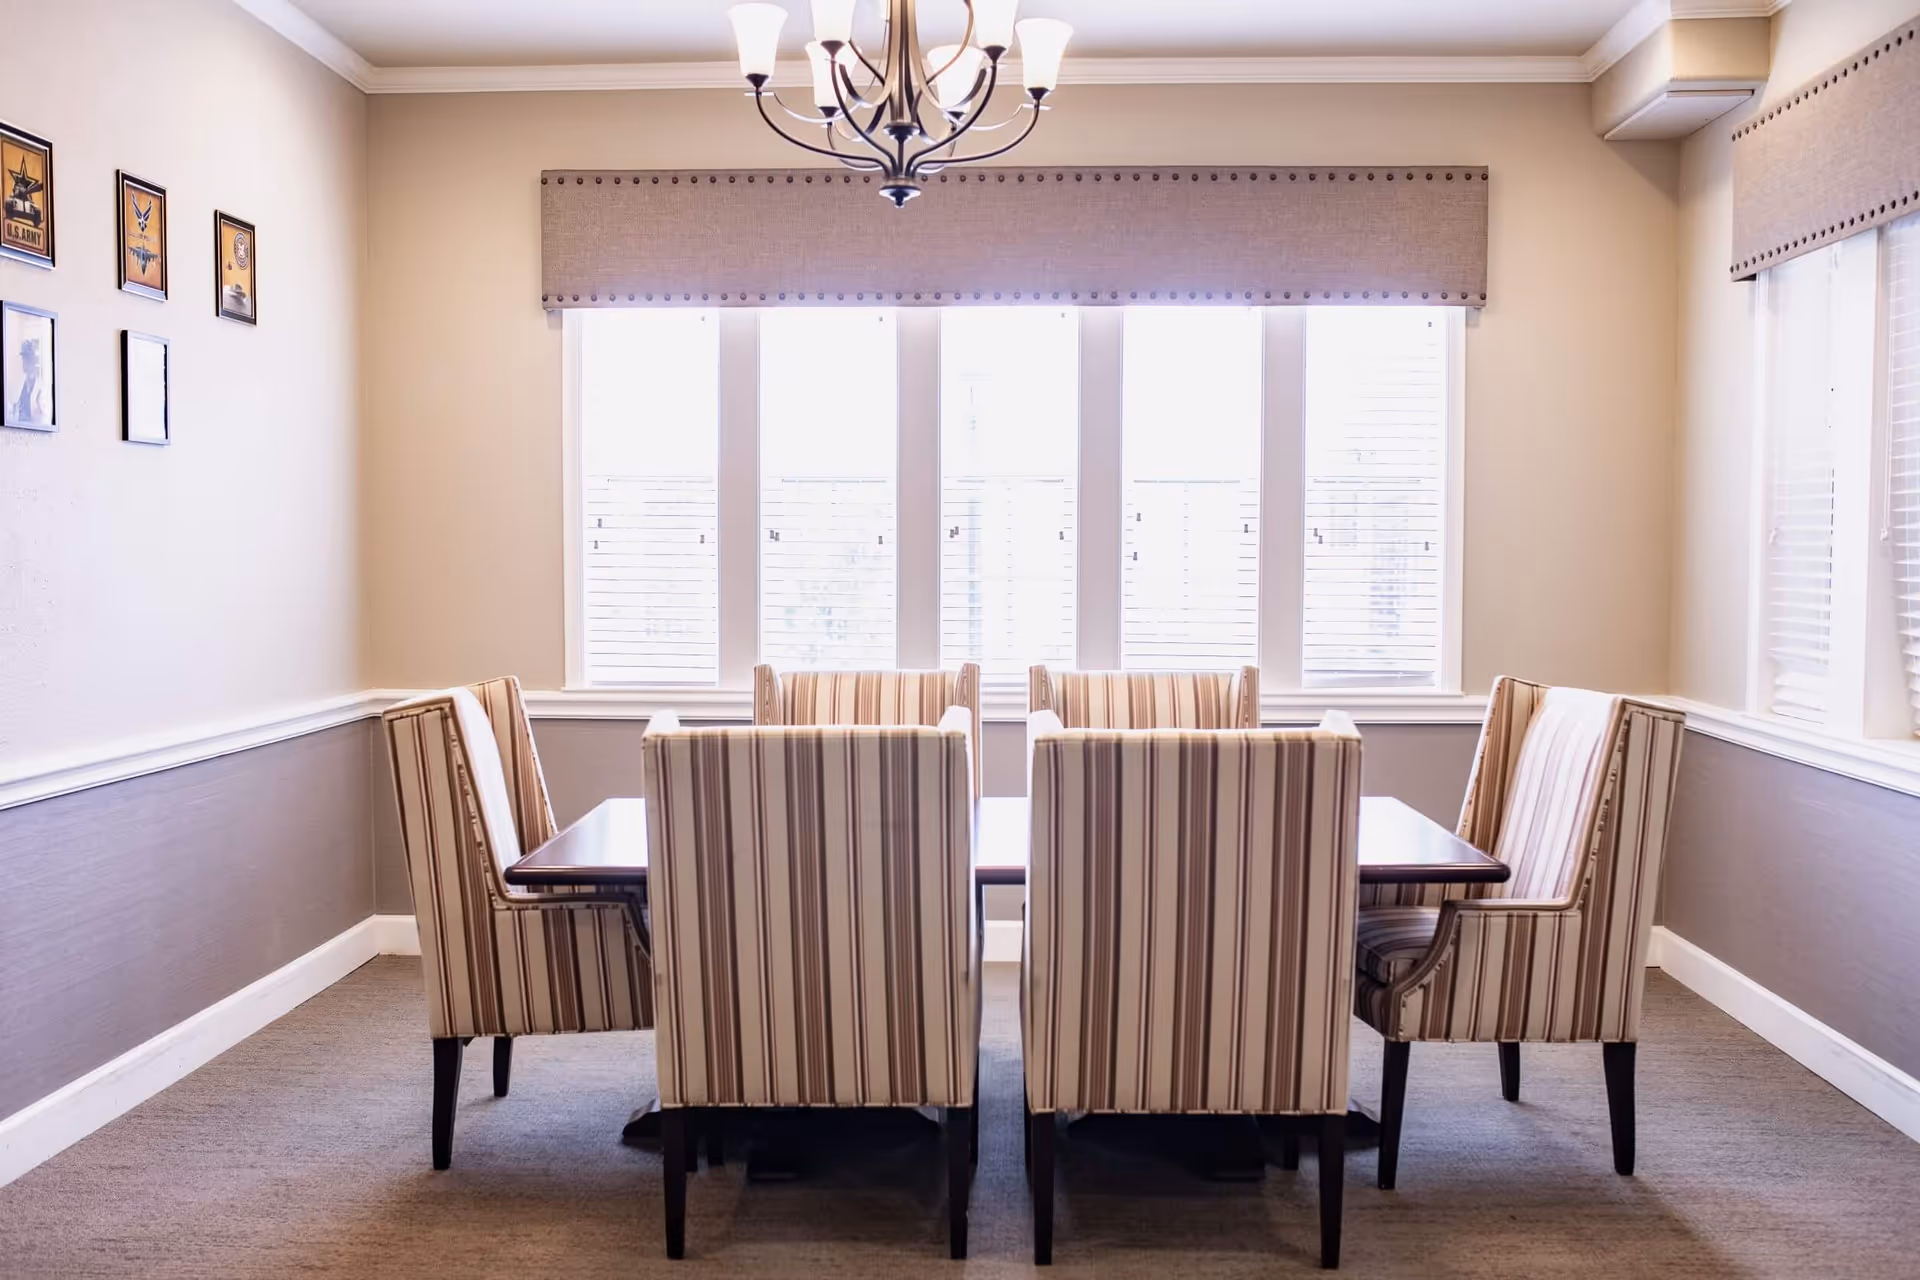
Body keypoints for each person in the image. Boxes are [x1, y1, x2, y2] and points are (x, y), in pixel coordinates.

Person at [14, 334, 49, 426]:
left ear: (32, 359)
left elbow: (46, 418)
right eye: (23, 358)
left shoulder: (41, 387)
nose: (24, 361)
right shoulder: (20, 383)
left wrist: (39, 408)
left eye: (26, 358)